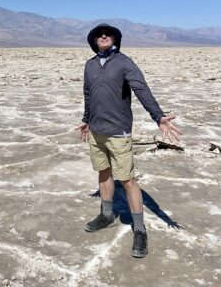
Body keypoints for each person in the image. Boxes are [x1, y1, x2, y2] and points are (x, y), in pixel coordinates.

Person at [77, 24, 181, 259]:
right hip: (96, 131)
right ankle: (106, 214)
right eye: (98, 34)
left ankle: (140, 229)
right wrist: (86, 119)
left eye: (108, 34)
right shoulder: (90, 65)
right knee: (103, 173)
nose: (103, 36)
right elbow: (88, 94)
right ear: (93, 40)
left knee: (127, 179)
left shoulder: (125, 62)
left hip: (118, 132)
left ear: (115, 39)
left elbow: (141, 89)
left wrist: (158, 116)